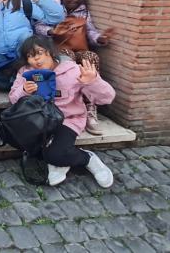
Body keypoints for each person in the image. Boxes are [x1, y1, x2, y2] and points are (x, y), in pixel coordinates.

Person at [9, 35, 115, 188]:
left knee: (55, 155)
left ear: (50, 52)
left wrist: (93, 82)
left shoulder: (72, 71)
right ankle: (58, 161)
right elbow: (13, 98)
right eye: (30, 56)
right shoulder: (26, 72)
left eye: (40, 53)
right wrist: (24, 90)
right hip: (38, 119)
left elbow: (107, 98)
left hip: (68, 119)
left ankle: (88, 159)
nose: (36, 60)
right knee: (19, 141)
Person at [35, 0, 115, 135]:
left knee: (91, 58)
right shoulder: (53, 7)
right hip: (58, 49)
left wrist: (100, 39)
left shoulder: (84, 12)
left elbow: (90, 32)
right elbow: (38, 26)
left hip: (80, 48)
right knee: (66, 59)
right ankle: (66, 105)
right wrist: (52, 31)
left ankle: (90, 106)